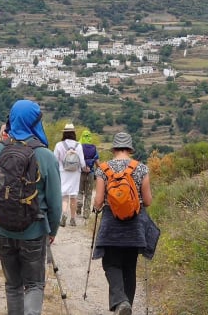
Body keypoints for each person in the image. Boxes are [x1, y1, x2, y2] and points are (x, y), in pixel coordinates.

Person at [0, 100, 62, 315]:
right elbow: (55, 203)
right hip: (34, 230)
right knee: (34, 285)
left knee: (12, 285)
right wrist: (51, 230)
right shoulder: (45, 156)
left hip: (2, 231)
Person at [92, 132, 154, 315]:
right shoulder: (141, 168)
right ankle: (126, 306)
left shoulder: (103, 169)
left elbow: (98, 200)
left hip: (111, 225)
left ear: (114, 149)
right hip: (134, 227)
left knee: (110, 264)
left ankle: (121, 302)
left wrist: (97, 208)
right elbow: (148, 201)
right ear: (129, 149)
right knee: (129, 267)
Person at [53, 123, 86, 227]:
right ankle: (72, 218)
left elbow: (55, 160)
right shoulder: (78, 145)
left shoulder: (59, 145)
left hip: (63, 172)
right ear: (73, 133)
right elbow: (82, 162)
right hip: (75, 173)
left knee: (64, 197)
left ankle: (64, 214)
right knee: (73, 196)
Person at [77, 129, 100, 219]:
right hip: (90, 173)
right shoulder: (93, 148)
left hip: (80, 173)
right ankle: (86, 213)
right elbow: (98, 163)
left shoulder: (79, 147)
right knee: (88, 194)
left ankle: (78, 206)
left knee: (80, 191)